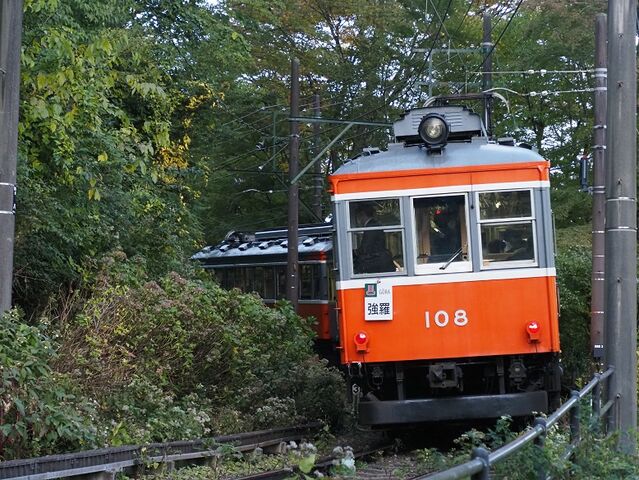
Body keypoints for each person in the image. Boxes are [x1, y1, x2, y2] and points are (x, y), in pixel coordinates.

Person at [353, 203, 395, 274]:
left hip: (376, 263)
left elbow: (366, 248)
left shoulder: (371, 226)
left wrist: (354, 253)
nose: (358, 219)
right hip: (379, 261)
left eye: (358, 216)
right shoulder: (374, 224)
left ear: (362, 215)